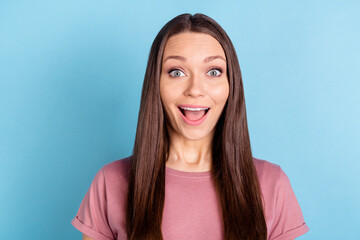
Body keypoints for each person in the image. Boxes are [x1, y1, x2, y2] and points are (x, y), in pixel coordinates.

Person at [71, 13, 309, 240]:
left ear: (231, 85)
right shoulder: (110, 181)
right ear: (156, 84)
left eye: (213, 71)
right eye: (177, 72)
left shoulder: (272, 184)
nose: (195, 89)